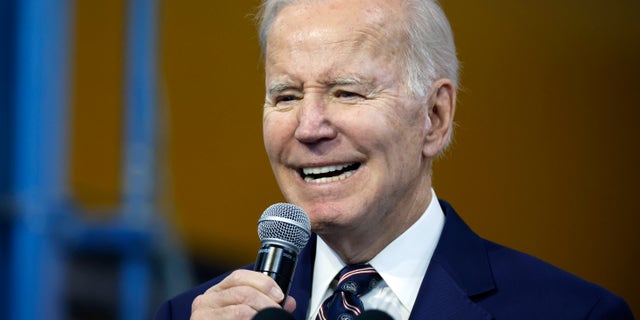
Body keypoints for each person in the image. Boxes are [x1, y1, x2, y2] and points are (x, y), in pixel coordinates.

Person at [155, 0, 634, 319]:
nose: (308, 127)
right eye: (285, 97)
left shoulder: (575, 313)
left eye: (347, 92)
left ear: (435, 116)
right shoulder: (188, 313)